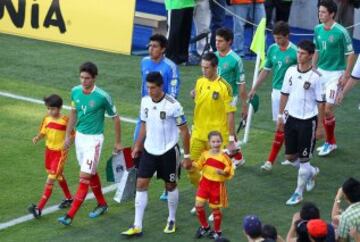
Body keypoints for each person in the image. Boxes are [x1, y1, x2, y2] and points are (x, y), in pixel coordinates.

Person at [121, 72, 191, 237]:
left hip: (168, 152)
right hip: (149, 150)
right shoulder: (145, 101)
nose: (150, 91)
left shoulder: (174, 105)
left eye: (152, 88)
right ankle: (137, 225)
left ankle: (172, 219)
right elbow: (144, 124)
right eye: (148, 87)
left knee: (170, 186)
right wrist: (137, 146)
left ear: (161, 87)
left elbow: (185, 132)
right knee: (141, 184)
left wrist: (187, 156)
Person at [57, 62, 122, 225]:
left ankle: (69, 215)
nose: (83, 81)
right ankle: (102, 204)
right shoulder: (75, 91)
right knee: (90, 173)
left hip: (94, 141)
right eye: (81, 77)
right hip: (79, 138)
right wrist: (68, 136)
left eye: (87, 78)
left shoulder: (102, 96)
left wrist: (118, 142)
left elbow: (115, 118)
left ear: (94, 78)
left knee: (84, 177)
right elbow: (73, 113)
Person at [186, 52, 237, 213]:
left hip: (215, 137)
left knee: (215, 173)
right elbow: (199, 104)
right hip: (198, 133)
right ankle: (205, 194)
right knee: (191, 168)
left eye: (207, 68)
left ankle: (216, 207)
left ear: (215, 67)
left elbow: (230, 114)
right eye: (202, 67)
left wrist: (230, 138)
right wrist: (194, 93)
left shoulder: (224, 87)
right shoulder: (200, 82)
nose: (203, 70)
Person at [278, 40, 325, 205]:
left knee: (304, 159)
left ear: (311, 56)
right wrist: (280, 117)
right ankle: (311, 172)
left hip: (308, 122)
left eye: (302, 53)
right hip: (291, 119)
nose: (299, 55)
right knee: (290, 157)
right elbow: (284, 94)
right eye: (298, 52)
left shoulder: (316, 77)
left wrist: (320, 126)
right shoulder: (290, 71)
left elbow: (321, 102)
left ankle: (298, 193)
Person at [135, 34, 181, 201]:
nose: (150, 49)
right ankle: (140, 182)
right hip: (146, 111)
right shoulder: (144, 62)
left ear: (163, 49)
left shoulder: (170, 67)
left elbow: (174, 91)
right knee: (139, 145)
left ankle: (167, 185)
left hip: (164, 113)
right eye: (150, 46)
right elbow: (143, 85)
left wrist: (165, 108)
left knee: (164, 148)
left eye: (155, 46)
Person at [248, 21, 297, 171]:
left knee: (281, 126)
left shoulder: (295, 52)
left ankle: (270, 161)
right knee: (281, 124)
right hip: (276, 93)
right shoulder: (272, 49)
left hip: (291, 94)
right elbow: (266, 70)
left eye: (280, 38)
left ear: (287, 36)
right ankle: (292, 154)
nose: (277, 41)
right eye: (275, 38)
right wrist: (254, 88)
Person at [313, 0, 356, 157]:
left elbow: (350, 54)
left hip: (335, 75)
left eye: (323, 12)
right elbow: (317, 49)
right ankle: (331, 142)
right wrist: (313, 67)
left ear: (332, 14)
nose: (320, 14)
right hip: (321, 73)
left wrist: (346, 75)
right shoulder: (317, 29)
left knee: (328, 109)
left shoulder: (341, 32)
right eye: (319, 12)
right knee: (321, 108)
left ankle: (329, 142)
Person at [28, 94, 73, 218]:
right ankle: (69, 198)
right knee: (59, 176)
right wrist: (37, 137)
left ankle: (39, 208)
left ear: (59, 108)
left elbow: (73, 134)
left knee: (50, 178)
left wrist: (68, 142)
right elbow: (43, 131)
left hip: (60, 153)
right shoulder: (47, 119)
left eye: (52, 109)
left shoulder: (65, 120)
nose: (50, 111)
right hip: (49, 152)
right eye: (48, 108)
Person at [192, 131, 234, 240]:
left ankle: (217, 231)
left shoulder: (224, 157)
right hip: (204, 183)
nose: (216, 144)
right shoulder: (205, 154)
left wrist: (223, 172)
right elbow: (199, 166)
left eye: (218, 141)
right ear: (209, 143)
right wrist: (189, 163)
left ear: (221, 142)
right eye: (213, 142)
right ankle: (205, 227)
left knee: (215, 210)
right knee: (198, 205)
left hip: (217, 186)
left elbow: (230, 171)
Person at [165, 0, 195, 64]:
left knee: (185, 32)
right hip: (174, 4)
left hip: (189, 4)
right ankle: (168, 57)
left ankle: (182, 58)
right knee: (173, 32)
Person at [331, 178, 360, 242]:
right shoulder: (346, 215)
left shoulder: (346, 217)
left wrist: (338, 196)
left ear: (345, 196)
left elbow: (334, 218)